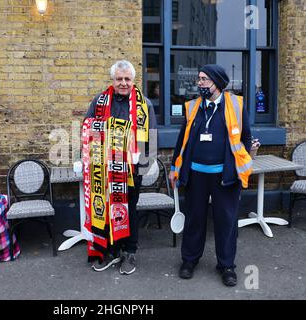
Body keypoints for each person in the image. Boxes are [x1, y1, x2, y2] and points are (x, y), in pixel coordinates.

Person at [169, 64, 253, 286]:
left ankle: (226, 265)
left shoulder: (236, 105)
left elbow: (245, 138)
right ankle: (189, 260)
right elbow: (182, 142)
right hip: (196, 175)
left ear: (217, 82)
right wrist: (174, 169)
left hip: (225, 176)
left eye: (205, 79)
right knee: (194, 218)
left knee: (226, 221)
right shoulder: (193, 107)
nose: (200, 83)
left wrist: (245, 158)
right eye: (199, 79)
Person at [84, 60, 157, 275]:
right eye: (119, 79)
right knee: (108, 210)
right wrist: (88, 161)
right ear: (113, 80)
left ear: (133, 80)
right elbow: (87, 129)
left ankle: (130, 252)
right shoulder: (99, 101)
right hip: (104, 169)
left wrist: (143, 168)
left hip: (132, 169)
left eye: (127, 79)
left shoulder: (145, 104)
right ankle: (112, 251)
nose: (123, 83)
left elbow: (151, 138)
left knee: (129, 211)